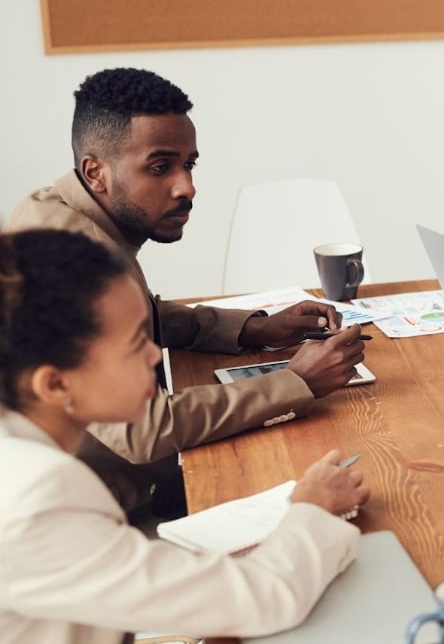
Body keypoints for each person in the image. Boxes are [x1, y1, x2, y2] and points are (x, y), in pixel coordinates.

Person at [0, 228, 371, 644]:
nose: (156, 356)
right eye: (136, 344)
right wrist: (312, 509)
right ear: (55, 384)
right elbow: (264, 599)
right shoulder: (36, 498)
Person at [5, 67, 365, 518]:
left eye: (188, 164)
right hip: (118, 510)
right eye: (160, 167)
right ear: (95, 172)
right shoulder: (62, 260)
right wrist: (296, 382)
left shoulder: (64, 214)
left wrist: (255, 328)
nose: (187, 187)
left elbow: (137, 317)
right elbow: (143, 430)